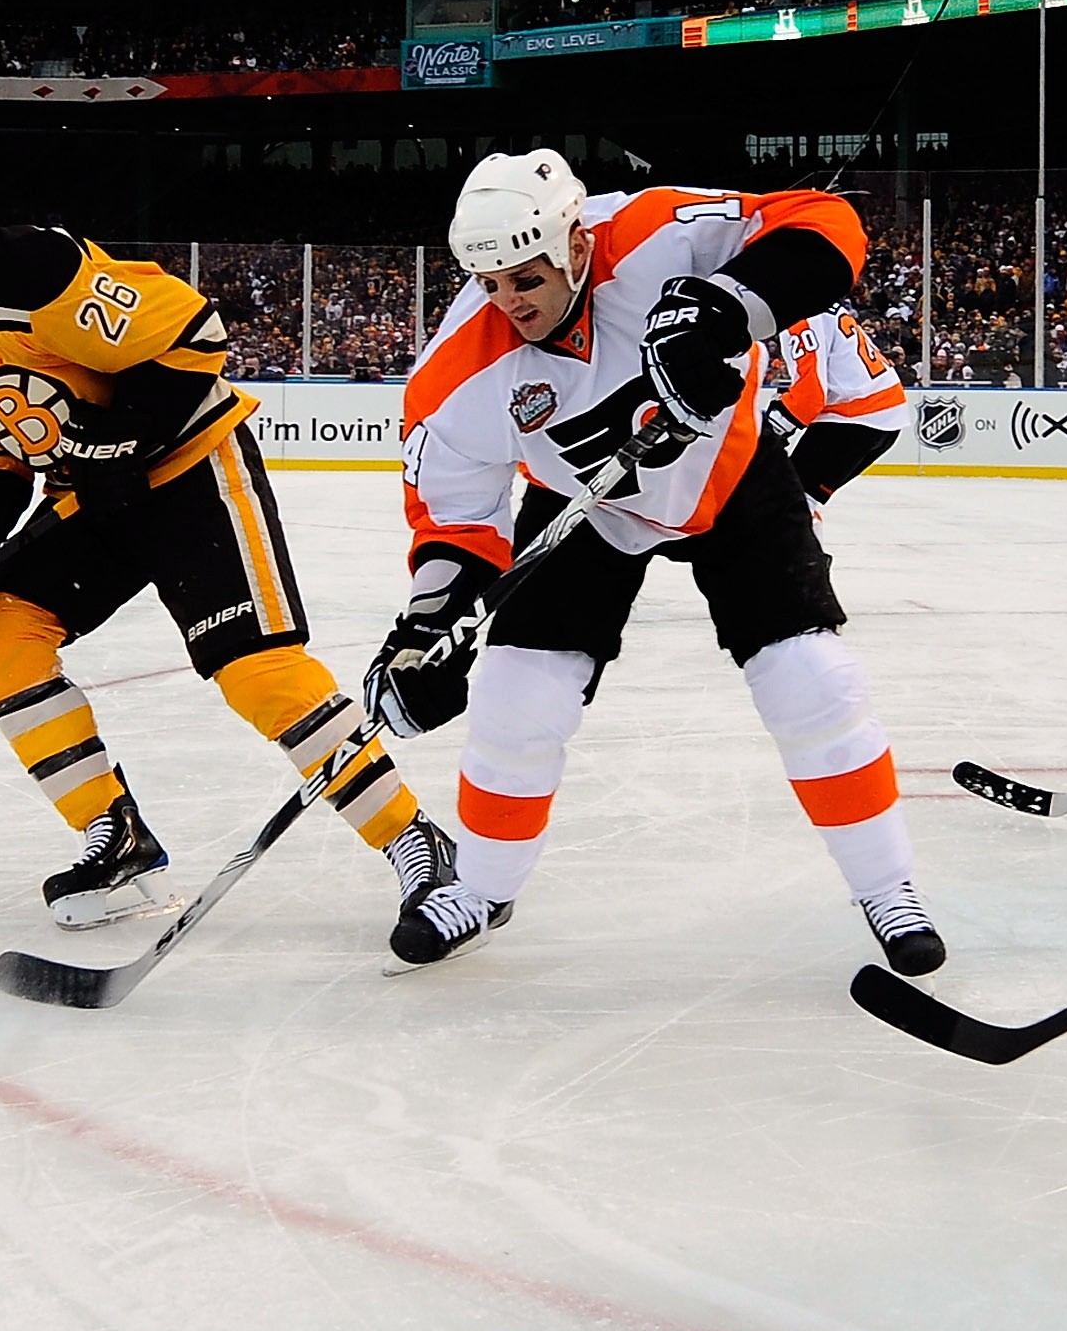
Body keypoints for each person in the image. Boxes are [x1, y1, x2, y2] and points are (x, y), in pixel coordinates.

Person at [0, 144, 465, 960]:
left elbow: (193, 337)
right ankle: (116, 838)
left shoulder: (39, 267)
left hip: (190, 468)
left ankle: (415, 842)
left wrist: (120, 441)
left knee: (254, 671)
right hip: (94, 497)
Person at [369, 149, 941, 974]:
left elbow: (825, 219)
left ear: (572, 244)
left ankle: (889, 887)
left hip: (733, 471)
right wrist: (428, 625)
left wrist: (731, 302)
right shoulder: (458, 373)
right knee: (514, 693)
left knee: (811, 681)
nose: (508, 302)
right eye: (488, 283)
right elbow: (454, 521)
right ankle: (485, 887)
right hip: (586, 505)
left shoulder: (650, 232)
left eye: (524, 278)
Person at [764, 298, 907, 505]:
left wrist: (770, 430)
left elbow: (810, 396)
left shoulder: (798, 318)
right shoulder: (822, 305)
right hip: (885, 413)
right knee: (796, 499)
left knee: (789, 504)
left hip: (856, 417)